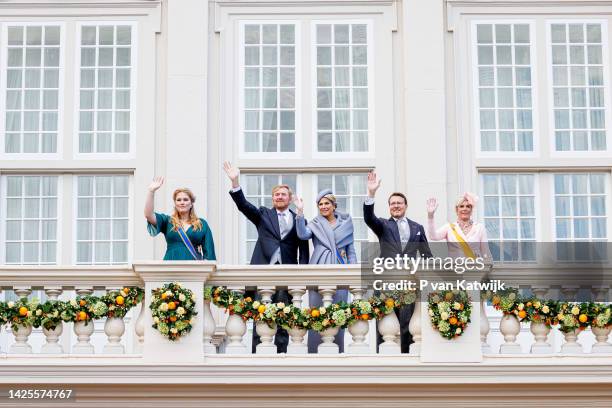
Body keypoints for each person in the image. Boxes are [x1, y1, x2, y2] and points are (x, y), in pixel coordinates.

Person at [223, 161, 309, 353]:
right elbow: (244, 205)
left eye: (283, 194)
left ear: (290, 198)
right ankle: (258, 352)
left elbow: (303, 248)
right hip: (263, 272)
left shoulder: (298, 218)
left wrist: (302, 273)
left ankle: (281, 353)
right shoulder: (263, 215)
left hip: (286, 273)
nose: (279, 197)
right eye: (276, 194)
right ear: (272, 198)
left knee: (284, 314)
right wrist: (235, 182)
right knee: (261, 314)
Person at [363, 171, 432, 353]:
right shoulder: (383, 225)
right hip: (386, 280)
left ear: (406, 205)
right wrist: (371, 194)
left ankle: (408, 357)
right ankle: (384, 358)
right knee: (385, 320)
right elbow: (369, 218)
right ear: (389, 207)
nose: (396, 206)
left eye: (399, 203)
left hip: (409, 281)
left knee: (407, 321)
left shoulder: (418, 227)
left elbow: (426, 255)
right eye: (392, 203)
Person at [294, 189, 357, 353]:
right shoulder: (314, 224)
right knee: (316, 312)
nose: (323, 206)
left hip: (340, 268)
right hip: (319, 268)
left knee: (339, 312)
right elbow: (302, 234)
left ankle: (338, 351)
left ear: (334, 205)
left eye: (326, 203)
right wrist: (300, 212)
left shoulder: (346, 224)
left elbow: (351, 251)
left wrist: (354, 273)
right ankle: (314, 352)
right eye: (320, 204)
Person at [145, 176, 216, 261]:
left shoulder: (201, 224)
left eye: (185, 200)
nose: (182, 202)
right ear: (175, 204)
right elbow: (149, 215)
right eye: (178, 200)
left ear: (191, 203)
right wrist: (151, 191)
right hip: (171, 265)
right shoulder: (168, 221)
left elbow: (210, 255)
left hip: (194, 268)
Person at [426, 192, 492, 260]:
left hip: (475, 268)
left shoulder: (479, 228)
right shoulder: (449, 227)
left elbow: (485, 252)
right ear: (457, 210)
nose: (465, 209)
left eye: (468, 206)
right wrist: (430, 216)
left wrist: (489, 267)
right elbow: (433, 236)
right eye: (461, 206)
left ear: (471, 210)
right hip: (455, 268)